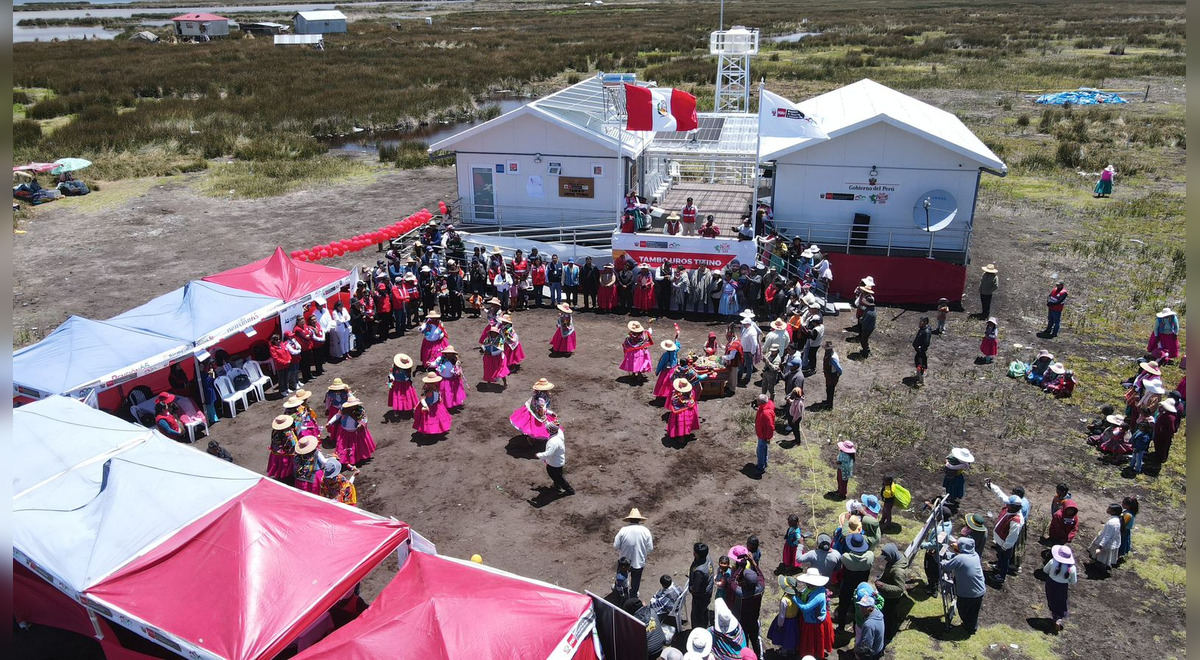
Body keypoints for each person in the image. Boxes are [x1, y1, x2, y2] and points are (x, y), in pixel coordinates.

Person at [940, 536, 985, 634]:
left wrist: (941, 560)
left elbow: (947, 566)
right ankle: (972, 627)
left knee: (963, 610)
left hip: (968, 593)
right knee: (973, 612)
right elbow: (957, 557)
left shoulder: (960, 558)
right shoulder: (975, 555)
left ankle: (968, 627)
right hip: (980, 590)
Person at [792, 568, 834, 659]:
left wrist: (794, 598)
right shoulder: (812, 589)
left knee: (812, 641)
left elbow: (805, 608)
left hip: (813, 622)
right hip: (809, 618)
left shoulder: (818, 595)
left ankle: (814, 654)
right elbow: (804, 594)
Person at [614, 508, 654, 599]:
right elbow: (650, 549)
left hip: (624, 562)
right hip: (638, 562)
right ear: (639, 520)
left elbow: (616, 546)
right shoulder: (646, 531)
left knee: (621, 578)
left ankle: (621, 593)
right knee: (635, 581)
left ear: (630, 519)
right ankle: (633, 596)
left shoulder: (623, 530)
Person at [836, 533, 873, 630]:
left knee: (843, 604)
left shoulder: (846, 557)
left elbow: (841, 561)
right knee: (860, 606)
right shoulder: (870, 556)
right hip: (861, 585)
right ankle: (856, 627)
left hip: (848, 584)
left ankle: (841, 626)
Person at [874, 543, 909, 642]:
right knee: (891, 613)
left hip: (891, 597)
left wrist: (883, 586)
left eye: (886, 557)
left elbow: (900, 588)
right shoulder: (896, 558)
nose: (885, 560)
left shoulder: (898, 571)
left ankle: (888, 634)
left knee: (889, 615)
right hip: (888, 592)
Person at [328, 396, 376, 466]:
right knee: (344, 447)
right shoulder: (343, 409)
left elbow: (364, 418)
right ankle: (345, 459)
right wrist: (330, 422)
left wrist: (361, 425)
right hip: (345, 431)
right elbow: (338, 415)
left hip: (356, 432)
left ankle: (357, 459)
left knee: (357, 446)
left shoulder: (360, 410)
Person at [1042, 545, 1078, 633]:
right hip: (1062, 586)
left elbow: (1045, 570)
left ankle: (1055, 617)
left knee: (1052, 600)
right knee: (1061, 602)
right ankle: (1058, 618)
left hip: (1051, 583)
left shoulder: (1052, 562)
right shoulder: (1072, 568)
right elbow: (1073, 581)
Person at [535, 420, 574, 496]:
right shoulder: (559, 432)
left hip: (555, 464)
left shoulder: (553, 442)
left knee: (558, 477)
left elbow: (548, 454)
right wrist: (544, 419)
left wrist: (539, 455)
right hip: (557, 461)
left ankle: (570, 490)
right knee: (556, 475)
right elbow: (553, 426)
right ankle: (557, 486)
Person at [767, 575, 802, 656]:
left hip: (786, 621)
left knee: (784, 637)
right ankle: (792, 649)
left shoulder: (784, 600)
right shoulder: (797, 595)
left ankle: (784, 652)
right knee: (792, 636)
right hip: (794, 620)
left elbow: (782, 615)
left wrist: (779, 625)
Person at [1088, 503, 1123, 576]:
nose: (1107, 509)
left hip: (1107, 544)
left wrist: (1100, 546)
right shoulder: (1116, 520)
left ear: (1113, 512)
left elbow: (1107, 536)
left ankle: (1099, 570)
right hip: (1112, 543)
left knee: (1101, 558)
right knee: (1104, 557)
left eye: (1109, 508)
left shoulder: (1112, 523)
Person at [688, 543, 715, 629]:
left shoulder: (699, 571)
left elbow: (696, 587)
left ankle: (698, 630)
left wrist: (691, 589)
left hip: (701, 595)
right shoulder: (707, 558)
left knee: (696, 615)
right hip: (708, 590)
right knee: (704, 609)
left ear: (697, 554)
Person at [267, 414, 298, 484]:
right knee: (285, 465)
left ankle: (279, 475)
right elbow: (293, 444)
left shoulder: (275, 431)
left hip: (276, 451)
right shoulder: (288, 433)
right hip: (286, 453)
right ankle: (286, 476)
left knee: (277, 464)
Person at [853, 594, 885, 660]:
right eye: (861, 606)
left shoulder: (869, 625)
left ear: (871, 608)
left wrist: (858, 654)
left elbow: (866, 646)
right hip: (878, 648)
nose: (861, 609)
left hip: (871, 655)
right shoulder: (877, 612)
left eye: (864, 607)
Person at [754, 394, 775, 475]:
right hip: (763, 434)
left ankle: (761, 466)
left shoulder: (766, 413)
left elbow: (770, 426)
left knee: (760, 451)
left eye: (757, 401)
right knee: (764, 449)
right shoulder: (767, 406)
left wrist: (768, 437)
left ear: (761, 402)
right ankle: (764, 463)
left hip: (763, 435)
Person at [1153, 398, 1179, 463]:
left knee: (1161, 447)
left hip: (1163, 436)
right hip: (1160, 434)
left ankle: (1160, 459)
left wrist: (1163, 432)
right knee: (1158, 446)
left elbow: (1171, 429)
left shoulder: (1170, 417)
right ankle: (1157, 456)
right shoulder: (1166, 413)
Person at [912, 316, 932, 384]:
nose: (919, 323)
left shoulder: (926, 332)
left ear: (925, 322)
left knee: (921, 365)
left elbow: (926, 343)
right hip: (918, 350)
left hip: (921, 351)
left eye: (921, 322)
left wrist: (921, 348)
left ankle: (921, 379)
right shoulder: (922, 329)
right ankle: (918, 375)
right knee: (917, 361)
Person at [1118, 495, 1139, 561]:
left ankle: (1118, 555)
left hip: (1123, 531)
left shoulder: (1128, 515)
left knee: (1121, 543)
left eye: (1123, 503)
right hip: (1125, 531)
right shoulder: (1128, 512)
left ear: (1128, 506)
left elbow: (1123, 524)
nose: (1122, 503)